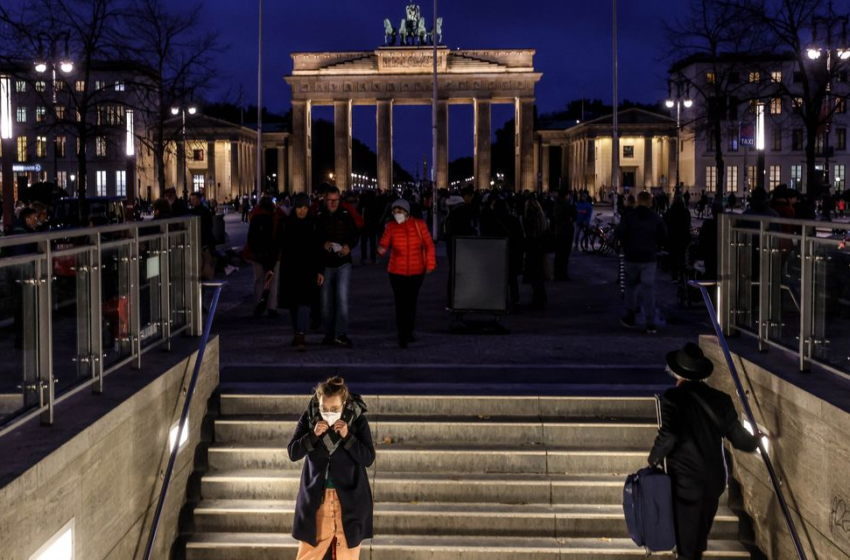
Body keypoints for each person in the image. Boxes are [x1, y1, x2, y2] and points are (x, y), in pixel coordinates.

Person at [648, 343, 762, 560]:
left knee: (687, 542)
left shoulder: (673, 397)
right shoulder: (721, 399)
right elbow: (739, 440)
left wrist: (653, 459)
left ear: (677, 372)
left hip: (686, 479)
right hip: (714, 479)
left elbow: (669, 434)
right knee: (698, 535)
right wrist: (757, 441)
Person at [288, 377, 374, 560]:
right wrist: (313, 436)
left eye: (334, 409)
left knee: (346, 556)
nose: (329, 413)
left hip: (350, 501)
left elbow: (368, 458)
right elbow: (293, 452)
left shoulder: (357, 421)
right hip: (317, 500)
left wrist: (348, 437)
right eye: (324, 409)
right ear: (318, 404)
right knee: (309, 555)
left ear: (344, 404)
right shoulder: (310, 418)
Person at [377, 199, 436, 348]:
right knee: (400, 302)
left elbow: (429, 245)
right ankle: (402, 334)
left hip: (417, 271)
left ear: (407, 212)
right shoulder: (390, 226)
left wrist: (430, 264)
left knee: (411, 301)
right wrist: (381, 249)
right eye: (395, 212)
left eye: (400, 211)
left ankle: (409, 330)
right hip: (396, 271)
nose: (397, 214)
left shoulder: (419, 225)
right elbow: (383, 244)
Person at [616, 191, 667, 334]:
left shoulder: (629, 217)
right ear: (651, 202)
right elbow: (663, 236)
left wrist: (624, 244)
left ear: (637, 201)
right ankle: (650, 322)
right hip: (649, 258)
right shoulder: (656, 218)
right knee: (649, 289)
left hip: (631, 256)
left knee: (631, 287)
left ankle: (630, 317)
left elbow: (620, 233)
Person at [279, 193, 324, 351]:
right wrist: (271, 268)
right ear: (294, 207)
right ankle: (297, 332)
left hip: (308, 270)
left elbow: (319, 248)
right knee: (293, 305)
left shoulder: (313, 224)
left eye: (305, 207)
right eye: (299, 207)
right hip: (290, 270)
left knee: (304, 303)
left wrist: (320, 270)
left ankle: (300, 334)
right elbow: (279, 246)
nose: (302, 211)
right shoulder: (286, 223)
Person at [316, 186, 360, 348]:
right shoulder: (319, 217)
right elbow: (315, 237)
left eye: (336, 200)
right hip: (326, 264)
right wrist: (323, 243)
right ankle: (328, 335)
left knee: (342, 300)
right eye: (330, 200)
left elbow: (355, 234)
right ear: (325, 200)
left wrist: (349, 245)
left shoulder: (346, 215)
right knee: (326, 302)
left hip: (343, 263)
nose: (333, 203)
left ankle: (341, 334)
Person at [245, 197, 285, 318]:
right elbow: (278, 240)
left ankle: (258, 306)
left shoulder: (255, 217)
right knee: (273, 280)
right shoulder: (276, 218)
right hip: (273, 254)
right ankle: (272, 307)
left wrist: (257, 253)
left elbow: (250, 238)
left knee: (258, 280)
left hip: (257, 254)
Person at [523, 196, 550, 309]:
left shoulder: (530, 219)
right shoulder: (542, 219)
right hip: (541, 249)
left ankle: (537, 300)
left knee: (534, 277)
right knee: (539, 277)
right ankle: (541, 298)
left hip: (532, 249)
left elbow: (529, 235)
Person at [664, 195, 692, 283]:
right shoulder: (685, 211)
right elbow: (688, 222)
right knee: (683, 258)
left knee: (674, 258)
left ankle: (675, 276)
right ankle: (682, 277)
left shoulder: (670, 211)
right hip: (684, 237)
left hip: (673, 237)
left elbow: (666, 221)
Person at [552, 189, 576, 281]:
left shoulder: (556, 203)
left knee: (559, 255)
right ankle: (562, 274)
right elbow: (574, 215)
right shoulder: (566, 205)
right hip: (566, 232)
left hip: (559, 231)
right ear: (566, 196)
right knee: (564, 254)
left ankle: (557, 273)